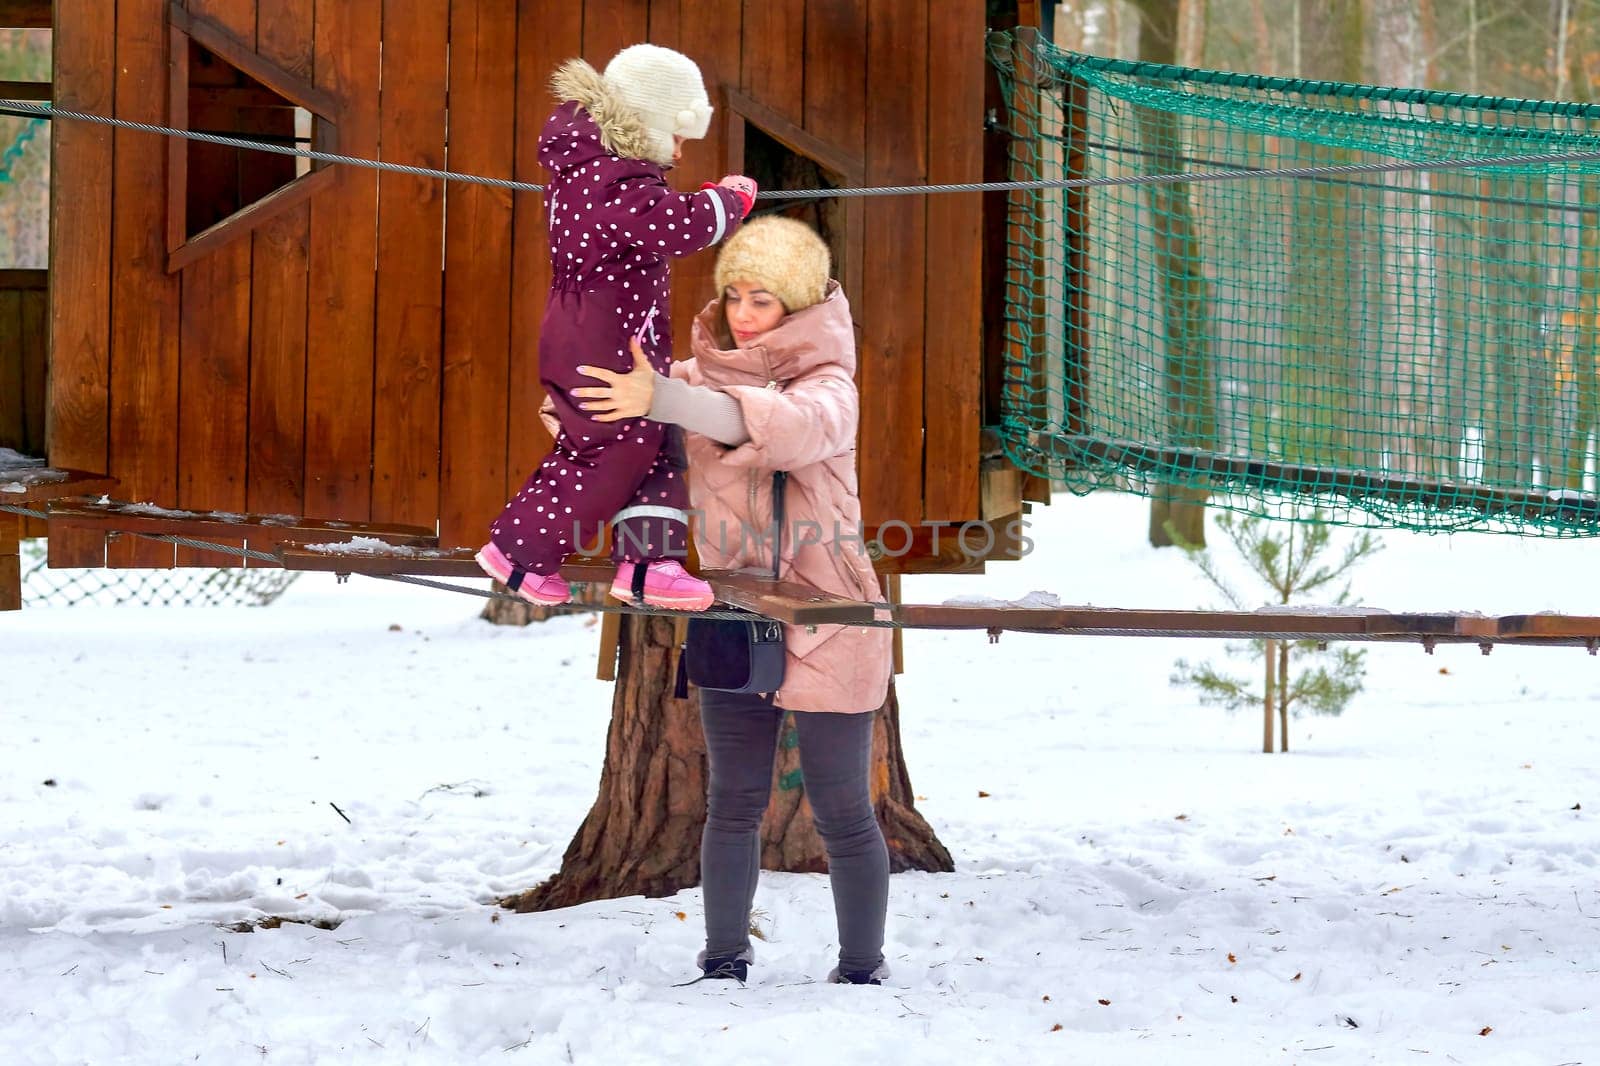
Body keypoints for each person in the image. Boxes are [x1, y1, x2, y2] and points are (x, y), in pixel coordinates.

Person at [572, 216, 896, 986]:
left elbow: (780, 431)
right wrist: (589, 397)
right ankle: (723, 959)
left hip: (831, 619)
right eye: (734, 296)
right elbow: (596, 411)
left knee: (843, 811)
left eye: (764, 300)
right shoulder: (691, 376)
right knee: (733, 803)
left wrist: (666, 399)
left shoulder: (828, 388)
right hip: (733, 612)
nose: (744, 314)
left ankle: (861, 968)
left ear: (801, 306)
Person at [476, 44, 756, 611]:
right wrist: (728, 200)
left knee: (654, 441)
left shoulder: (597, 171)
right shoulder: (611, 180)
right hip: (601, 338)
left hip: (608, 331)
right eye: (676, 137)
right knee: (610, 445)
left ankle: (651, 562)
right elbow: (678, 228)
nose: (679, 152)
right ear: (647, 123)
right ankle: (520, 553)